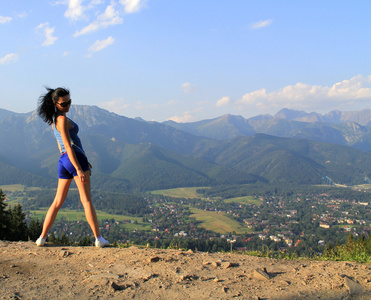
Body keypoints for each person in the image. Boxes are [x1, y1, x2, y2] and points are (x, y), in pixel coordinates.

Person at [36, 87, 109, 248]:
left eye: (69, 102)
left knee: (57, 202)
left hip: (63, 160)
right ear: (56, 103)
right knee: (86, 200)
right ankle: (99, 239)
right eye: (64, 103)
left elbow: (60, 146)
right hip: (73, 157)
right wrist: (79, 168)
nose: (68, 105)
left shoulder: (54, 121)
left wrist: (69, 163)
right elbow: (68, 146)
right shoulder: (61, 119)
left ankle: (41, 238)